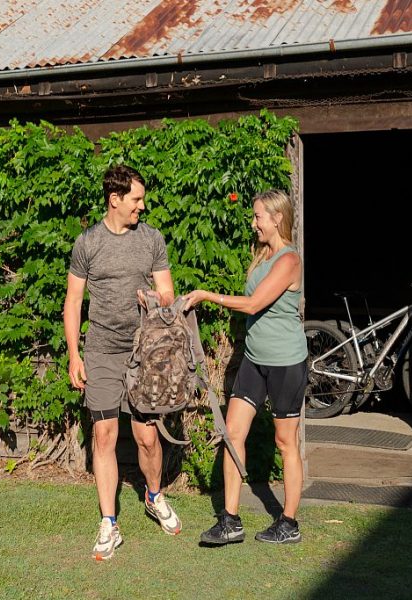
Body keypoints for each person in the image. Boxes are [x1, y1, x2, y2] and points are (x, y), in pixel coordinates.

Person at [63, 165, 182, 561]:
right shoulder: (88, 243)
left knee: (147, 437)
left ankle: (153, 495)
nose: (141, 207)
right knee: (104, 436)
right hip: (100, 351)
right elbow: (74, 302)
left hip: (145, 352)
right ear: (115, 200)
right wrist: (74, 354)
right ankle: (109, 523)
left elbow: (168, 293)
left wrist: (152, 296)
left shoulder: (151, 238)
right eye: (136, 200)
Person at [182, 189, 308, 545]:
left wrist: (207, 295)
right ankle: (230, 521)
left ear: (276, 218)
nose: (253, 223)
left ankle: (289, 523)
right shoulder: (262, 255)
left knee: (285, 442)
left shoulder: (289, 260)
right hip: (255, 359)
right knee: (233, 434)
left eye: (257, 217)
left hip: (285, 362)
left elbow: (253, 304)